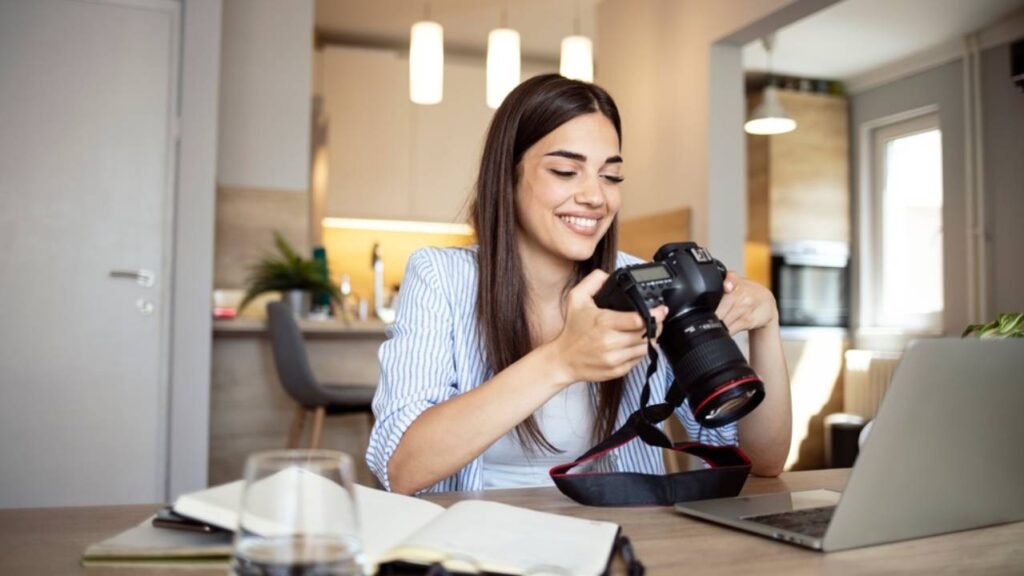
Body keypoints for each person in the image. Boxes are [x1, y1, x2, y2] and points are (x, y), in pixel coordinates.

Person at [367, 74, 791, 495]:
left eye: (611, 176)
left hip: (616, 537)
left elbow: (765, 462)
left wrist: (767, 324)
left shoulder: (645, 284)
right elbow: (401, 467)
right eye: (566, 171)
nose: (595, 196)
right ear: (507, 176)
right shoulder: (442, 277)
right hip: (478, 541)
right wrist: (560, 361)